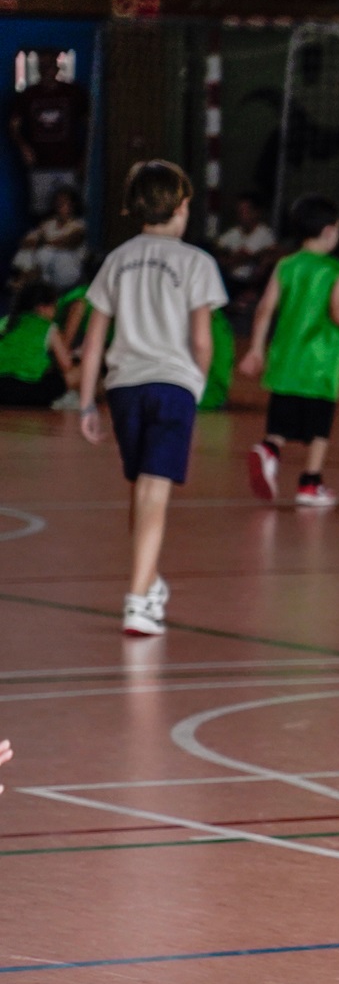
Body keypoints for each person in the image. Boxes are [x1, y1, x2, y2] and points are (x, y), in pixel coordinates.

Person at [75, 161, 228, 637]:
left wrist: (86, 402)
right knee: (154, 490)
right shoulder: (197, 263)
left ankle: (149, 581)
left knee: (141, 487)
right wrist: (197, 383)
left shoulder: (116, 260)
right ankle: (138, 602)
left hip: (125, 388)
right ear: (182, 207)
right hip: (172, 385)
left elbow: (93, 341)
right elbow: (202, 340)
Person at [237, 194, 339, 510]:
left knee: (281, 419)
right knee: (319, 427)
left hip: (285, 359)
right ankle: (310, 483)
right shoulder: (338, 270)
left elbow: (264, 309)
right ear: (329, 231)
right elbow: (338, 311)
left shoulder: (285, 265)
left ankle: (269, 450)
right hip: (320, 363)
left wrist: (256, 348)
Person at [7, 51, 90, 216]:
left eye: (50, 66)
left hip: (68, 163)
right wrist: (23, 147)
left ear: (57, 68)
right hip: (41, 164)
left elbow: (91, 127)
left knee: (70, 210)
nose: (47, 71)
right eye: (43, 67)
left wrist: (85, 158)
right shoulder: (29, 95)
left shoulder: (73, 93)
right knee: (41, 210)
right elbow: (14, 125)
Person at [0, 280, 79, 408]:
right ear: (41, 308)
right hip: (28, 392)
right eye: (54, 306)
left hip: (1, 389)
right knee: (77, 373)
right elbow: (66, 365)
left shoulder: (4, 322)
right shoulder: (48, 327)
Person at [9, 185, 87, 290]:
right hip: (45, 268)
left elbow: (67, 242)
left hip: (67, 266)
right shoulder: (48, 223)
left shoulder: (79, 225)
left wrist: (42, 242)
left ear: (73, 205)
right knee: (27, 252)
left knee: (46, 252)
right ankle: (24, 281)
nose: (59, 205)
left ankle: (27, 281)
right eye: (57, 202)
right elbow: (27, 241)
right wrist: (36, 241)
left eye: (64, 202)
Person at [213, 193, 278, 304]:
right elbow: (217, 248)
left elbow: (240, 257)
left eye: (245, 211)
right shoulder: (235, 232)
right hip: (231, 281)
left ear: (256, 213)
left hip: (250, 284)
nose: (241, 215)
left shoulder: (263, 233)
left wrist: (230, 258)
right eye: (239, 211)